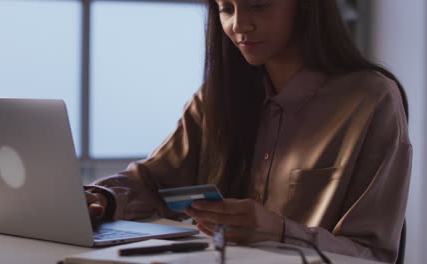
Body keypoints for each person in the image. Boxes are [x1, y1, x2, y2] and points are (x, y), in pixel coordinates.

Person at [84, 0, 412, 263]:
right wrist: (102, 200)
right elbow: (153, 183)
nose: (239, 25)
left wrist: (279, 232)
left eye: (258, 5)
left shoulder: (371, 100)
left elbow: (375, 255)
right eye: (226, 8)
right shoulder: (216, 98)